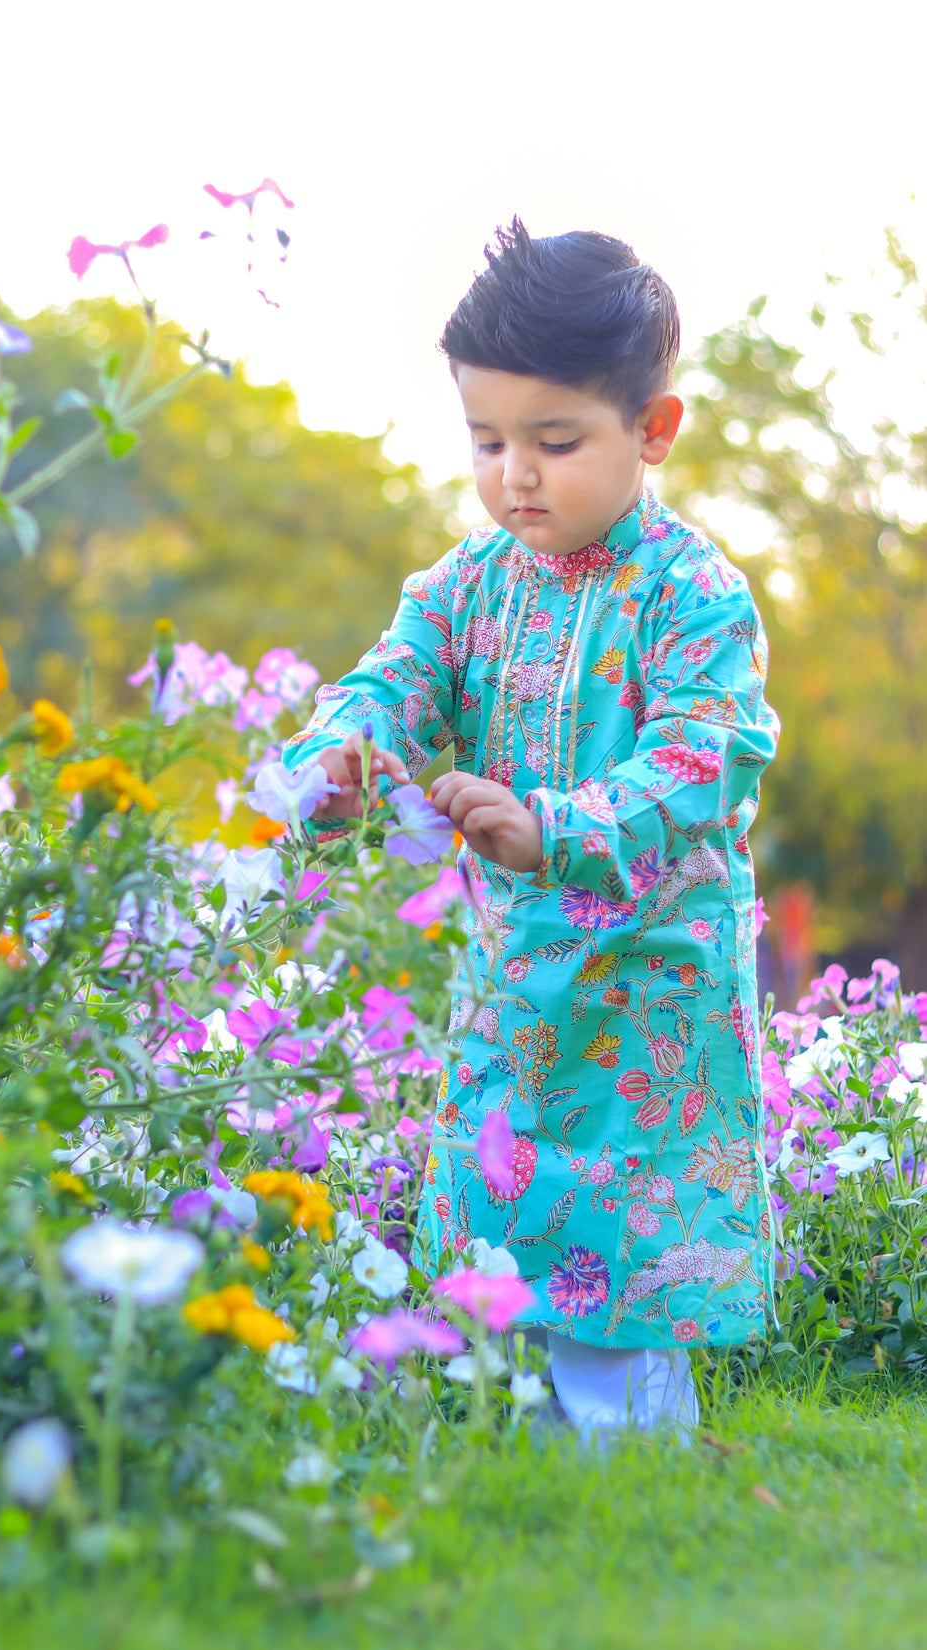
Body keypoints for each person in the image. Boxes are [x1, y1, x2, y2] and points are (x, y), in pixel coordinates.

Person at [282, 220, 779, 1443]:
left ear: (650, 433)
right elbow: (382, 686)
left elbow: (703, 759)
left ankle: (636, 1462)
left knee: (620, 1243)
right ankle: (517, 1453)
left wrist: (550, 826)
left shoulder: (691, 591)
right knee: (503, 1228)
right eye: (486, 438)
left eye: (554, 442)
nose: (516, 474)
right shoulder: (464, 586)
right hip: (514, 983)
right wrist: (338, 764)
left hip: (645, 1001)